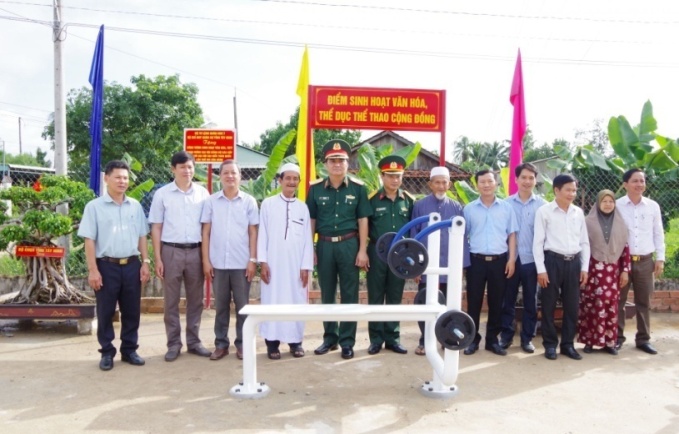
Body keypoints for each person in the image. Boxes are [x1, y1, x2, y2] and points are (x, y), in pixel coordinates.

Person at [78, 160, 151, 371]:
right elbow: (89, 240)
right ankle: (107, 352)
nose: (122, 181)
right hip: (106, 266)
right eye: (118, 177)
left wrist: (145, 262)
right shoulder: (94, 207)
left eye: (126, 178)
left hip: (131, 265)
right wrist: (93, 270)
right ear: (106, 178)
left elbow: (142, 236)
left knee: (132, 310)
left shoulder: (135, 206)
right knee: (106, 311)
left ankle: (129, 350)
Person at [306, 139, 372, 360]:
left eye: (341, 160)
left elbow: (363, 220)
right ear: (325, 164)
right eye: (332, 160)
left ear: (347, 163)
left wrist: (362, 250)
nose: (337, 164)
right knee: (327, 293)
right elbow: (311, 221)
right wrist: (311, 248)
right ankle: (329, 338)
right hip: (324, 244)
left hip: (349, 245)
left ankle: (347, 341)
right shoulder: (314, 189)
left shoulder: (358, 188)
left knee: (349, 294)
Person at [148, 151, 211, 362]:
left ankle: (194, 342)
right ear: (173, 169)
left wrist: (205, 258)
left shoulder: (203, 194)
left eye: (190, 167)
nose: (187, 171)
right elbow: (156, 227)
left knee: (196, 300)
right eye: (182, 167)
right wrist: (157, 258)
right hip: (170, 251)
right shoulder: (162, 194)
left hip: (196, 251)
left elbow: (207, 228)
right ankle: (173, 344)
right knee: (171, 301)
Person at [201, 160, 259, 361]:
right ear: (220, 176)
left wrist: (252, 259)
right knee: (221, 306)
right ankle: (221, 344)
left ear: (240, 176)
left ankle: (242, 344)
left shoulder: (249, 201)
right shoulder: (211, 201)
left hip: (242, 264)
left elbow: (253, 232)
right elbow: (206, 232)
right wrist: (206, 261)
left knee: (243, 307)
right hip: (218, 263)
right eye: (225, 173)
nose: (230, 176)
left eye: (233, 173)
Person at [409, 166, 470, 356]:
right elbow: (414, 236)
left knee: (449, 305)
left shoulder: (457, 207)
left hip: (449, 266)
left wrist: (460, 266)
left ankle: (448, 338)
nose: (441, 185)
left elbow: (463, 238)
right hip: (427, 267)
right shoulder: (420, 206)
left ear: (449, 184)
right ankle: (424, 340)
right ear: (430, 184)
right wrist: (416, 268)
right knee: (425, 305)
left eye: (445, 182)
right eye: (437, 182)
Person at [257, 163, 314, 359]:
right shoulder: (268, 204)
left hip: (296, 267)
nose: (291, 182)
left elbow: (307, 239)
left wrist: (306, 266)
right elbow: (262, 234)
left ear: (298, 182)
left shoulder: (302, 208)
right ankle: (272, 344)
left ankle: (295, 342)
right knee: (272, 302)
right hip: (272, 265)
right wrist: (262, 262)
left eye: (295, 179)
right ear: (280, 181)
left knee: (296, 302)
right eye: (287, 178)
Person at [533, 174, 590, 361]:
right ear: (556, 190)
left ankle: (567, 345)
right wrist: (541, 269)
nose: (572, 194)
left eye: (574, 190)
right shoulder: (544, 212)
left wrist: (585, 267)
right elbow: (538, 242)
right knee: (548, 305)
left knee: (572, 306)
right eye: (568, 190)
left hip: (574, 263)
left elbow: (584, 242)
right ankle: (550, 345)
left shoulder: (578, 213)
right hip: (552, 262)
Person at [463, 169, 517, 356]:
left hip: (499, 261)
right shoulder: (469, 209)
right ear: (476, 185)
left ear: (495, 184)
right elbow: (463, 236)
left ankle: (492, 340)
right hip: (475, 261)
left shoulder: (506, 208)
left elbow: (512, 235)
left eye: (489, 181)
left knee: (497, 302)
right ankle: (472, 339)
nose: (486, 185)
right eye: (482, 182)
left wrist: (511, 259)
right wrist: (464, 263)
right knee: (474, 302)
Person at [366, 155, 414, 355]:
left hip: (400, 255)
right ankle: (376, 339)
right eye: (390, 176)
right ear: (382, 176)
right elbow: (365, 227)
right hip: (377, 253)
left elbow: (413, 229)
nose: (395, 180)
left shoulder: (409, 201)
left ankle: (393, 338)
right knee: (376, 296)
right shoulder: (371, 200)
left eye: (398, 176)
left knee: (395, 296)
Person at [615, 168, 665, 355]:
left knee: (643, 301)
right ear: (625, 184)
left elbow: (658, 232)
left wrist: (660, 258)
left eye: (642, 181)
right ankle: (617, 338)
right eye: (635, 181)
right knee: (618, 301)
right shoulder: (617, 205)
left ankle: (643, 339)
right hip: (622, 263)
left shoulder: (652, 206)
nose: (639, 184)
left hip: (645, 261)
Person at [499, 163, 546, 354]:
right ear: (516, 180)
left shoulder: (543, 206)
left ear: (535, 180)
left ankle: (527, 339)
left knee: (530, 301)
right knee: (507, 300)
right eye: (523, 177)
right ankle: (506, 337)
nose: (527, 181)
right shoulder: (505, 204)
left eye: (531, 178)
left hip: (533, 261)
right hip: (511, 260)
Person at [577, 190, 630, 355]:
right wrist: (582, 269)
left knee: (610, 305)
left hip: (613, 271)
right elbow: (583, 246)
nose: (608, 204)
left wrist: (625, 271)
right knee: (591, 304)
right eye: (604, 201)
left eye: (611, 201)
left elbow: (625, 249)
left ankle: (609, 342)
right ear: (598, 203)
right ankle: (589, 341)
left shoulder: (621, 224)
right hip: (592, 271)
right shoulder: (588, 222)